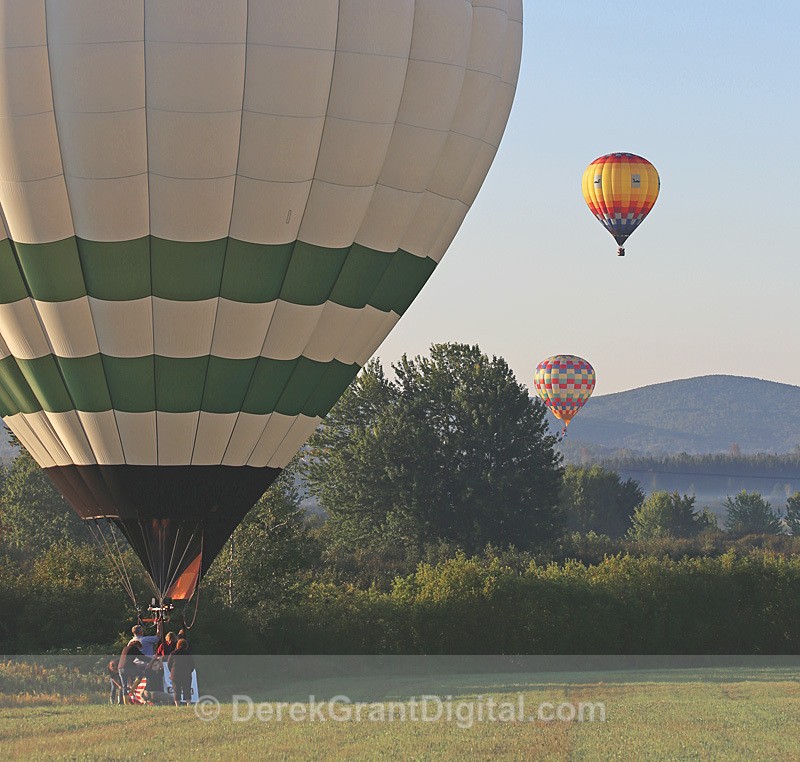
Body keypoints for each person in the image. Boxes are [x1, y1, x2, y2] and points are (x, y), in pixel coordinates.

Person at [167, 639, 195, 706]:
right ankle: (188, 704)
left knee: (176, 690)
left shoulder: (173, 653)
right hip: (186, 674)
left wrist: (172, 671)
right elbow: (192, 665)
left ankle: (177, 705)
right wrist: (189, 671)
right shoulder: (188, 654)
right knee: (187, 689)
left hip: (175, 674)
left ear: (178, 645)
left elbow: (169, 664)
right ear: (186, 646)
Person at [118, 638, 145, 704]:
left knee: (124, 686)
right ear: (137, 646)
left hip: (120, 668)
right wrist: (153, 659)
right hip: (127, 668)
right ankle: (132, 689)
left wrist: (132, 663)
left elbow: (125, 659)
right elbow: (142, 657)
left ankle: (126, 703)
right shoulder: (134, 649)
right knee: (141, 673)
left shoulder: (125, 648)